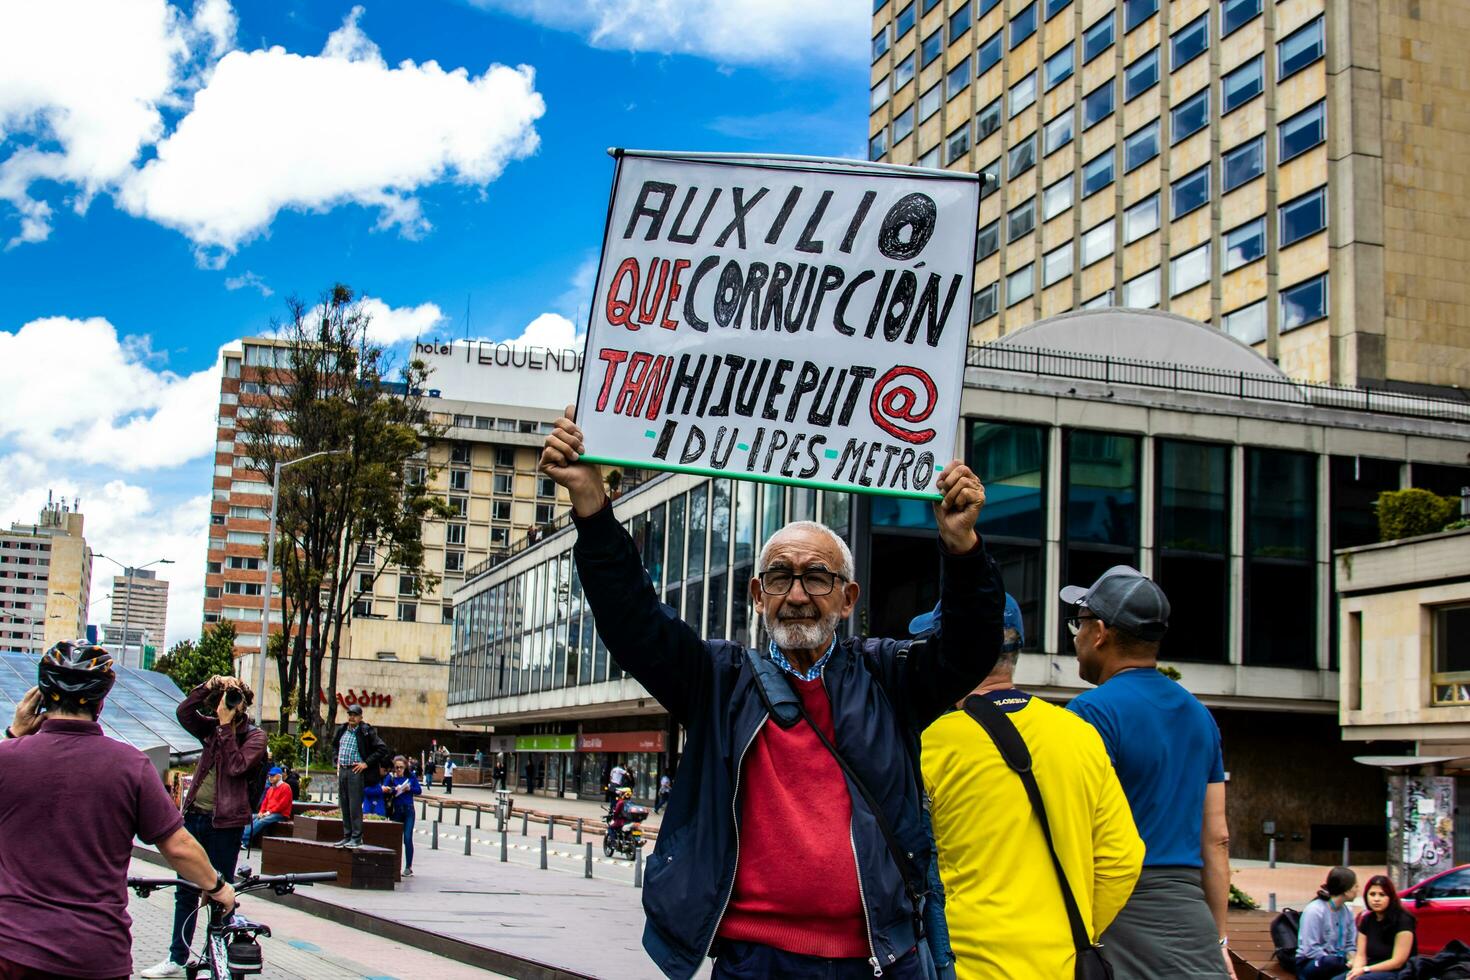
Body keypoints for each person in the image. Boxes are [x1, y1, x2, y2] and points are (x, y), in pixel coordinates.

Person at [539, 405, 1004, 980]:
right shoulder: (720, 681)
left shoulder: (890, 677)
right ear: (758, 595)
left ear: (848, 597)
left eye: (817, 577)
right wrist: (591, 505)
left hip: (880, 960)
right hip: (753, 962)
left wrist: (963, 550)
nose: (799, 594)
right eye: (781, 577)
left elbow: (970, 647)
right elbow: (633, 619)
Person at [917, 594, 1144, 978]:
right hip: (1062, 964)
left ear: (952, 652)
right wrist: (1071, 931)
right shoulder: (1080, 735)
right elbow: (1122, 861)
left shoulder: (930, 743)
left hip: (965, 966)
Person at [0, 641, 236, 980]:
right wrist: (217, 887)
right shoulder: (130, 766)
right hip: (94, 954)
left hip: (12, 951)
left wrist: (13, 734)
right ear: (101, 702)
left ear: (40, 698)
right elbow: (178, 847)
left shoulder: (7, 758)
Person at [1062, 566, 1234, 980]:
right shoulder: (1199, 717)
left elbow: (1071, 828)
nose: (1076, 636)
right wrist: (1218, 939)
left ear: (1100, 632)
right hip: (1190, 916)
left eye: (1079, 624)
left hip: (1116, 916)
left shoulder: (1089, 714)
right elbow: (1217, 838)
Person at [144, 673, 267, 978]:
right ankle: (177, 957)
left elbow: (237, 767)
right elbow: (184, 713)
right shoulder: (212, 730)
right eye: (226, 698)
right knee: (186, 889)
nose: (227, 704)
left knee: (219, 891)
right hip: (196, 816)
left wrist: (226, 725)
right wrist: (208, 687)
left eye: (234, 699)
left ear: (243, 706)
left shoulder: (254, 737)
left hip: (226, 824)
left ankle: (217, 958)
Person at [331, 704, 391, 850]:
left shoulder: (366, 731)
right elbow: (334, 747)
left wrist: (366, 763)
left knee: (354, 805)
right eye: (350, 714)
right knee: (344, 804)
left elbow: (382, 748)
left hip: (355, 771)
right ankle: (347, 836)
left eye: (355, 715)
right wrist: (336, 761)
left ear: (360, 717)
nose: (352, 717)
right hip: (343, 770)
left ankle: (357, 837)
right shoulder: (342, 729)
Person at [1338, 874, 1415, 980]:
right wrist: (1355, 971)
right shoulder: (1366, 920)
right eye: (1372, 894)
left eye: (1382, 895)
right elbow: (1361, 955)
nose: (1376, 899)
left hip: (1396, 972)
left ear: (1390, 897)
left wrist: (1365, 970)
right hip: (1369, 968)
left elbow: (1398, 962)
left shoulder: (1403, 920)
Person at [1297, 867, 1360, 979]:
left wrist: (1353, 960)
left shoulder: (1347, 912)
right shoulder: (1315, 911)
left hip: (1339, 962)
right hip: (1311, 962)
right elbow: (1310, 950)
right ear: (1346, 890)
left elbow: (1350, 945)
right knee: (1331, 962)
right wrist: (1339, 961)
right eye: (1356, 886)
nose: (1358, 889)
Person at [382, 755, 422, 876]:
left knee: (408, 838)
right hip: (396, 810)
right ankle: (392, 865)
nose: (398, 770)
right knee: (394, 838)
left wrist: (409, 788)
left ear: (405, 767)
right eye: (396, 767)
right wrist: (393, 789)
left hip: (409, 809)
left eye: (401, 767)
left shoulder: (411, 777)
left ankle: (408, 867)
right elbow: (384, 788)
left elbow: (419, 790)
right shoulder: (391, 777)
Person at [241, 766, 294, 850]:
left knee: (262, 820)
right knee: (252, 817)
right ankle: (243, 839)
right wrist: (261, 812)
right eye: (269, 776)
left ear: (279, 776)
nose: (270, 777)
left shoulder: (286, 787)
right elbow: (264, 803)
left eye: (273, 776)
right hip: (270, 813)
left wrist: (267, 813)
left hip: (281, 814)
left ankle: (244, 840)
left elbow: (282, 805)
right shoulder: (271, 788)